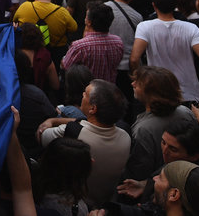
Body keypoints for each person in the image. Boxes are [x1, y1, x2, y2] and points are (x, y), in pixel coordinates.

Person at [38, 79, 130, 207]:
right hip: (104, 203)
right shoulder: (125, 137)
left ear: (93, 108)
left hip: (72, 203)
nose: (82, 94)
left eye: (86, 94)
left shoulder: (73, 132)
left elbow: (41, 136)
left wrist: (51, 121)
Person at [131, 0, 199, 103]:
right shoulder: (191, 28)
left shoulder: (144, 27)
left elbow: (134, 59)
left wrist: (140, 81)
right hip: (189, 94)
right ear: (175, 5)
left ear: (154, 5)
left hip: (157, 92)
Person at [125, 66, 194, 181]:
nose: (133, 84)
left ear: (152, 94)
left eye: (139, 83)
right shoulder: (186, 112)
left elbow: (140, 170)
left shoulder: (143, 129)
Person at [13, 0, 77, 64]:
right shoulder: (62, 11)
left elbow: (14, 22)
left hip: (29, 54)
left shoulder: (24, 7)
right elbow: (74, 28)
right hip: (56, 53)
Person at [61, 2, 122, 84]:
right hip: (109, 88)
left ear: (89, 22)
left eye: (86, 16)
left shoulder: (79, 46)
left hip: (86, 88)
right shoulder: (118, 42)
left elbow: (66, 66)